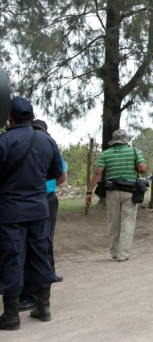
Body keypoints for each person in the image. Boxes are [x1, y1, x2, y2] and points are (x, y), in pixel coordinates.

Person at [0, 97, 63, 330]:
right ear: (32, 116)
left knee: (13, 258)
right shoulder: (47, 141)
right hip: (39, 209)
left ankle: (11, 315)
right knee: (41, 257)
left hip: (10, 213)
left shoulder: (4, 141)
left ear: (10, 117)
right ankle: (43, 307)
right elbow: (56, 173)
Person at [19, 119, 68, 312]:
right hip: (47, 198)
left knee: (27, 244)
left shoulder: (26, 146)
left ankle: (28, 294)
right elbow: (62, 176)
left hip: (30, 199)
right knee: (44, 242)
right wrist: (48, 186)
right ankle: (45, 287)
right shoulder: (51, 147)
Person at [85, 129, 147, 262]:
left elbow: (97, 173)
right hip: (129, 192)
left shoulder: (105, 154)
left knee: (113, 221)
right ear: (126, 140)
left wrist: (89, 192)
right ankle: (123, 254)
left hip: (111, 192)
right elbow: (142, 169)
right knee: (127, 222)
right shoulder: (134, 152)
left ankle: (113, 252)